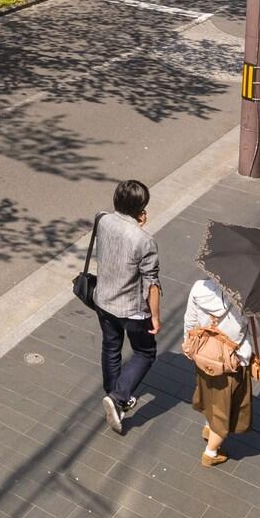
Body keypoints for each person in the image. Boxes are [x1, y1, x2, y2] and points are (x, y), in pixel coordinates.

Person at [94, 179, 162, 435]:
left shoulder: (102, 220)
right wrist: (155, 316)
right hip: (132, 308)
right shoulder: (144, 240)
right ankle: (119, 396)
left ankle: (112, 394)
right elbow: (151, 284)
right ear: (141, 207)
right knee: (145, 352)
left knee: (111, 346)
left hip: (103, 299)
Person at [183, 275, 260, 466]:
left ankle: (208, 425)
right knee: (225, 408)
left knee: (209, 395)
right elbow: (258, 331)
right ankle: (211, 452)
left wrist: (188, 346)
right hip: (232, 364)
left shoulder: (199, 287)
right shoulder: (245, 301)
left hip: (203, 355)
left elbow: (190, 320)